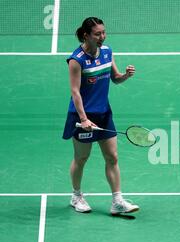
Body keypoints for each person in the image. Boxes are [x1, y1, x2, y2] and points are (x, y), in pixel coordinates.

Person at [63, 17, 139, 215]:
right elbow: (75, 92)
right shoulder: (76, 60)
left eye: (103, 32)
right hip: (83, 116)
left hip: (104, 113)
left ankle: (117, 201)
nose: (102, 37)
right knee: (81, 158)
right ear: (86, 35)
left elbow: (115, 78)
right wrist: (83, 118)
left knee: (112, 157)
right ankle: (76, 196)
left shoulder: (107, 51)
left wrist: (125, 76)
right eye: (97, 34)